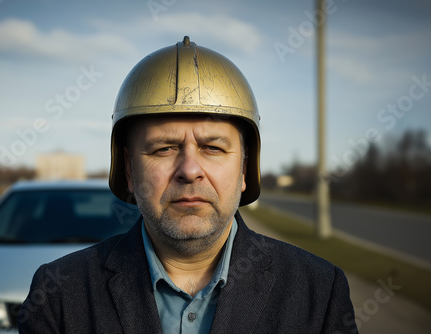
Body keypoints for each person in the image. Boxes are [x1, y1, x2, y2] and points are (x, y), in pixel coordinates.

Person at [18, 36, 357, 333]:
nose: (190, 170)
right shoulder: (59, 294)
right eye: (164, 148)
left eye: (213, 147)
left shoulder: (320, 291)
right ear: (129, 169)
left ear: (243, 169)